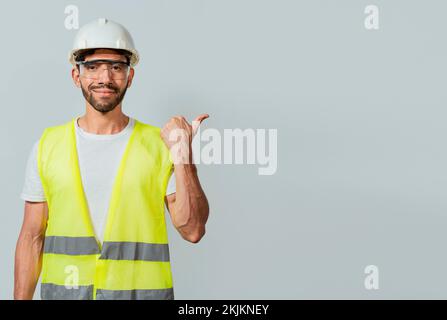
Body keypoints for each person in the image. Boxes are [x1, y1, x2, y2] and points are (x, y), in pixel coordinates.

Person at [14, 18, 209, 300]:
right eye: (92, 67)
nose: (104, 78)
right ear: (75, 76)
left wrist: (183, 154)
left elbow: (192, 230)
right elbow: (31, 238)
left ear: (130, 77)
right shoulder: (47, 147)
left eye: (116, 67)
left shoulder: (159, 146)